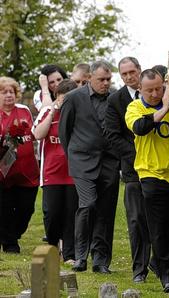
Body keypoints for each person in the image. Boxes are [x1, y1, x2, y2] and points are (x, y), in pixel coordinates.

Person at [125, 69, 169, 293]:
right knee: (160, 227)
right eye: (150, 90)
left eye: (159, 88)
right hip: (151, 175)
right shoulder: (135, 108)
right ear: (140, 89)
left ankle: (165, 266)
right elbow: (140, 128)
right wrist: (163, 108)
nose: (155, 93)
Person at [59, 61, 120, 274]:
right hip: (81, 162)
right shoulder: (74, 98)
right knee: (87, 204)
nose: (105, 83)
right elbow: (64, 131)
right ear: (90, 78)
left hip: (109, 162)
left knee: (106, 211)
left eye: (108, 79)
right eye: (101, 79)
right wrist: (74, 157)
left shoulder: (115, 97)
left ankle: (100, 261)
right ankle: (80, 256)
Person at [104, 57, 151, 283]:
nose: (129, 77)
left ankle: (161, 264)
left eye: (132, 72)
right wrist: (137, 155)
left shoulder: (156, 93)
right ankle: (139, 269)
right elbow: (112, 135)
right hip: (133, 168)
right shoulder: (116, 100)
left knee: (161, 219)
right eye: (124, 74)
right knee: (136, 220)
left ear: (140, 70)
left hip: (163, 169)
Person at [32, 79, 79, 264]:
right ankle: (52, 247)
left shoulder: (79, 114)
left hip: (73, 173)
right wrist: (53, 110)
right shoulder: (47, 111)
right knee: (51, 213)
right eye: (62, 99)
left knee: (71, 214)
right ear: (57, 97)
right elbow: (38, 134)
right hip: (51, 173)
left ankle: (69, 254)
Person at [0, 77, 39, 253]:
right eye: (4, 92)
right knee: (5, 208)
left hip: (27, 172)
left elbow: (34, 135)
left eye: (12, 92)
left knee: (26, 209)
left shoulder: (24, 111)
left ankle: (13, 234)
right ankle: (10, 243)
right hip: (4, 174)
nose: (9, 95)